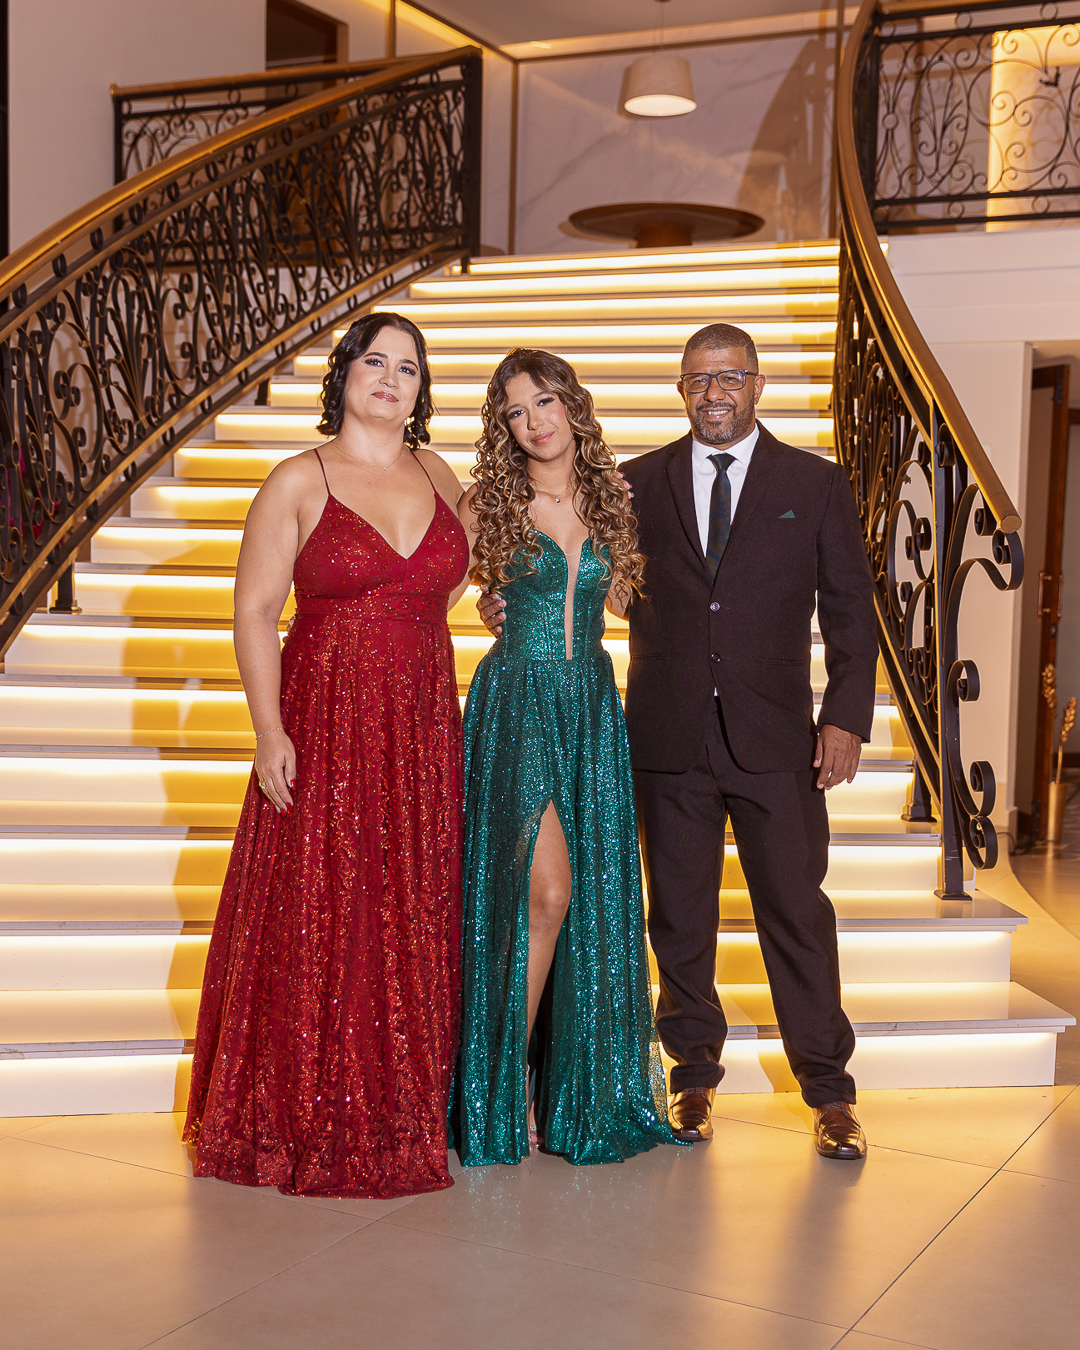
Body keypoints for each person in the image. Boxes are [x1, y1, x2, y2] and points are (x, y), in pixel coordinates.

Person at [482, 322, 878, 1160]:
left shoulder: (815, 483)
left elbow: (850, 607)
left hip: (778, 740)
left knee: (797, 914)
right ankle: (691, 1079)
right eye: (699, 379)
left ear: (757, 384)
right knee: (679, 919)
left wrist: (845, 715)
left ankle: (829, 1091)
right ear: (681, 391)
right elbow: (579, 577)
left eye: (730, 376)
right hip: (665, 739)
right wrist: (502, 599)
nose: (715, 392)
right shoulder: (631, 485)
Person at [184, 312, 470, 1198]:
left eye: (408, 368)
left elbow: (453, 580)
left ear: (421, 390)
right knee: (321, 904)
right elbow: (253, 611)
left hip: (421, 723)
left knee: (409, 899)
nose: (391, 378)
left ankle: (403, 1107)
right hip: (327, 718)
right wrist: (269, 729)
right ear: (344, 375)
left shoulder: (441, 474)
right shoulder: (297, 480)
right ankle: (302, 1110)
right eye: (374, 361)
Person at [452, 348, 673, 1167]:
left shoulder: (614, 498)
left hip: (590, 705)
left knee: (587, 902)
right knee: (546, 894)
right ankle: (497, 1088)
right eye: (515, 411)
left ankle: (568, 1086)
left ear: (571, 405)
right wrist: (484, 603)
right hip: (517, 700)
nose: (533, 422)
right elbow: (432, 594)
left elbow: (619, 600)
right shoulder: (488, 503)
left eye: (543, 402)